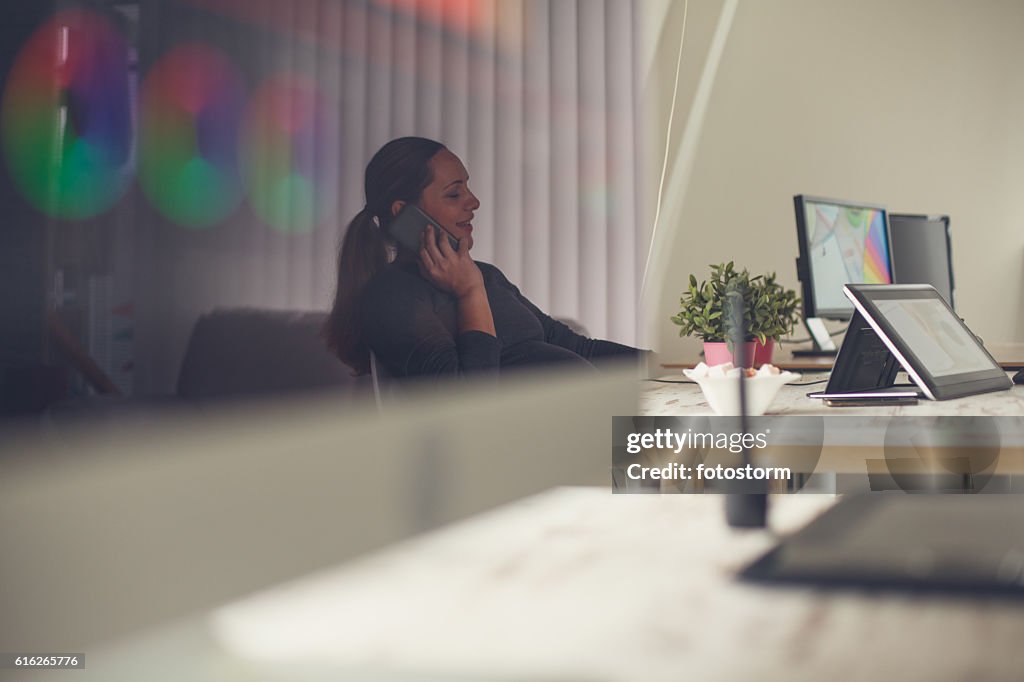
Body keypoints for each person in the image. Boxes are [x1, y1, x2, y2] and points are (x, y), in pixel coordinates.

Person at [324, 136, 643, 381]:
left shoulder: (486, 276)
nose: (473, 202)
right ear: (404, 213)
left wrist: (670, 364)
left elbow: (578, 348)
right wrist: (470, 294)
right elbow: (470, 403)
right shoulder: (392, 297)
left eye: (468, 188)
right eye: (454, 194)